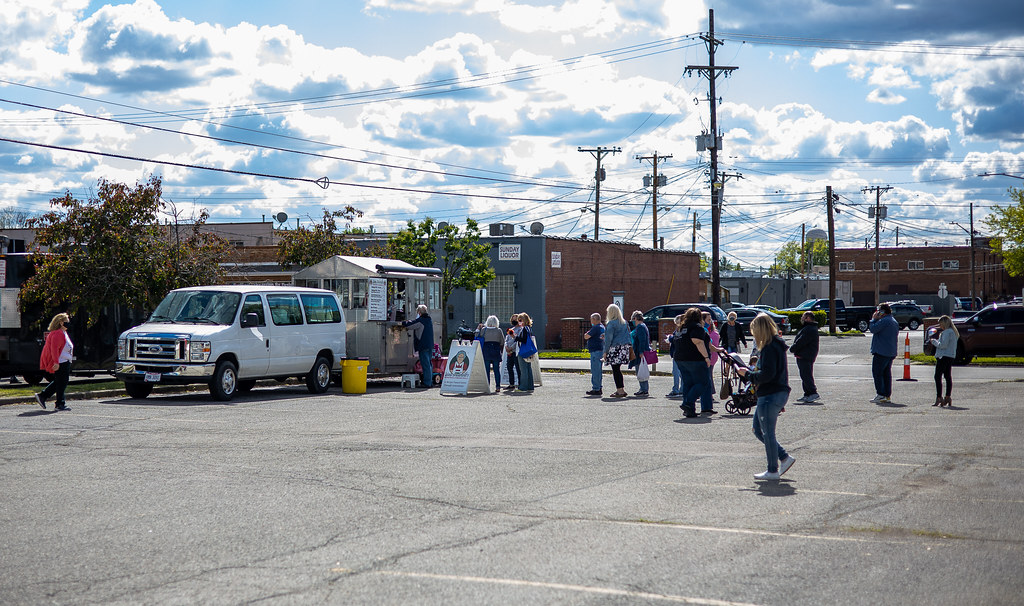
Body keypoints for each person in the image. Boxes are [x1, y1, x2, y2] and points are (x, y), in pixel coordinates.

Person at [737, 313, 796, 481]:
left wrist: (748, 374)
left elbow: (768, 374)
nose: (753, 335)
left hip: (771, 393)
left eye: (754, 331)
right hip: (774, 393)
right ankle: (784, 457)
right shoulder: (775, 345)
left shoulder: (770, 347)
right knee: (758, 429)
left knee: (767, 432)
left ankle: (772, 470)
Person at [671, 307, 713, 418]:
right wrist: (706, 357)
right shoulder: (696, 327)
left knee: (688, 383)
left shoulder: (680, 328)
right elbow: (698, 342)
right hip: (694, 359)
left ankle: (689, 410)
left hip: (680, 359)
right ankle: (687, 403)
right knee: (703, 383)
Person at [36, 313, 73, 411]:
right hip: (61, 361)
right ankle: (59, 403)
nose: (68, 323)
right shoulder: (58, 333)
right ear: (61, 322)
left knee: (60, 382)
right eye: (67, 321)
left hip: (64, 360)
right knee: (62, 382)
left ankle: (43, 396)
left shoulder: (63, 332)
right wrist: (56, 362)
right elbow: (54, 349)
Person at [868, 303, 900, 405]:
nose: (877, 313)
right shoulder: (893, 321)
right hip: (890, 352)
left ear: (883, 311)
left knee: (877, 373)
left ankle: (881, 394)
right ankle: (887, 395)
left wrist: (874, 319)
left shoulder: (884, 321)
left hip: (881, 351)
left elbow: (873, 329)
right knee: (886, 374)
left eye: (879, 311)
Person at [401, 304, 435, 388]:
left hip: (423, 345)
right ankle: (430, 382)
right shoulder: (429, 320)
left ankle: (427, 383)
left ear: (419, 312)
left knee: (425, 364)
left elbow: (410, 325)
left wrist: (403, 322)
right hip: (430, 344)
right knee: (429, 364)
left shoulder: (421, 321)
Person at [790, 311, 820, 403]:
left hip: (806, 356)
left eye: (803, 317)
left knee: (806, 375)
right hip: (803, 355)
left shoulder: (809, 329)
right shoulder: (807, 328)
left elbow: (801, 341)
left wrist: (793, 348)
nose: (802, 318)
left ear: (808, 318)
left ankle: (813, 393)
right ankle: (807, 394)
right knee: (804, 375)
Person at [602, 304, 631, 398]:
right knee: (618, 369)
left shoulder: (611, 324)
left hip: (615, 348)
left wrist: (605, 351)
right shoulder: (624, 322)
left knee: (615, 370)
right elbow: (628, 334)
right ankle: (621, 389)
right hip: (624, 348)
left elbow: (608, 339)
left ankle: (620, 390)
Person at [930, 315, 959, 407]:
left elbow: (943, 345)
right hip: (950, 356)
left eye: (940, 324)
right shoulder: (954, 332)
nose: (940, 326)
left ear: (944, 324)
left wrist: (934, 341)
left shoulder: (946, 332)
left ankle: (939, 397)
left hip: (943, 356)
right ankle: (948, 396)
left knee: (937, 376)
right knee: (947, 376)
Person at [701, 311, 724, 414]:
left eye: (710, 320)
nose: (710, 322)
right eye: (708, 320)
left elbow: (711, 346)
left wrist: (718, 350)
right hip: (707, 356)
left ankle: (709, 395)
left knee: (708, 376)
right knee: (707, 377)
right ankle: (708, 396)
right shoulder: (703, 330)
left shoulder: (711, 332)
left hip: (710, 356)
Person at [628, 310, 652, 396]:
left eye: (633, 320)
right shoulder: (642, 326)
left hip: (639, 352)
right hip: (639, 351)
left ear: (635, 318)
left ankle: (644, 389)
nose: (633, 322)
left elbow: (642, 340)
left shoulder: (640, 327)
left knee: (640, 371)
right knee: (640, 370)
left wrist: (641, 352)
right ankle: (643, 388)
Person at [479, 315, 504, 391]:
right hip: (496, 350)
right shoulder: (499, 330)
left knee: (487, 370)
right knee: (496, 370)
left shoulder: (484, 330)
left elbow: (478, 337)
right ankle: (498, 386)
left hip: (486, 351)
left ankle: (487, 386)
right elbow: (502, 342)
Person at [584, 313, 605, 395]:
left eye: (591, 319)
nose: (591, 321)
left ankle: (596, 388)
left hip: (595, 352)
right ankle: (599, 387)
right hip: (600, 350)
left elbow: (586, 336)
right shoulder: (602, 327)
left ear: (595, 319)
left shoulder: (596, 327)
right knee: (598, 370)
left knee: (595, 370)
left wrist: (587, 334)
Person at [515, 312, 535, 391]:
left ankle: (523, 387)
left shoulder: (524, 329)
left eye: (520, 320)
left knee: (523, 369)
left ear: (524, 320)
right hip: (528, 351)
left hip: (522, 351)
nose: (519, 322)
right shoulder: (528, 328)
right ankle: (530, 386)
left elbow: (523, 340)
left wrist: (515, 337)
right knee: (528, 369)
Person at [666, 314, 685, 398]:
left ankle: (676, 390)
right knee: (680, 373)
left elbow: (676, 339)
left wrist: (670, 338)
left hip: (677, 354)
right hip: (680, 354)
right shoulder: (683, 329)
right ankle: (681, 389)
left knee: (676, 373)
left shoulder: (680, 330)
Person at [504, 315, 520, 391]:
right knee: (509, 368)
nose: (514, 321)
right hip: (509, 352)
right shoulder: (511, 329)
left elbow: (517, 341)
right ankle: (511, 384)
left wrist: (511, 348)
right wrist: (506, 346)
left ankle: (520, 384)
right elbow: (506, 339)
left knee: (518, 368)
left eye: (515, 319)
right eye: (512, 319)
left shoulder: (520, 329)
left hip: (515, 351)